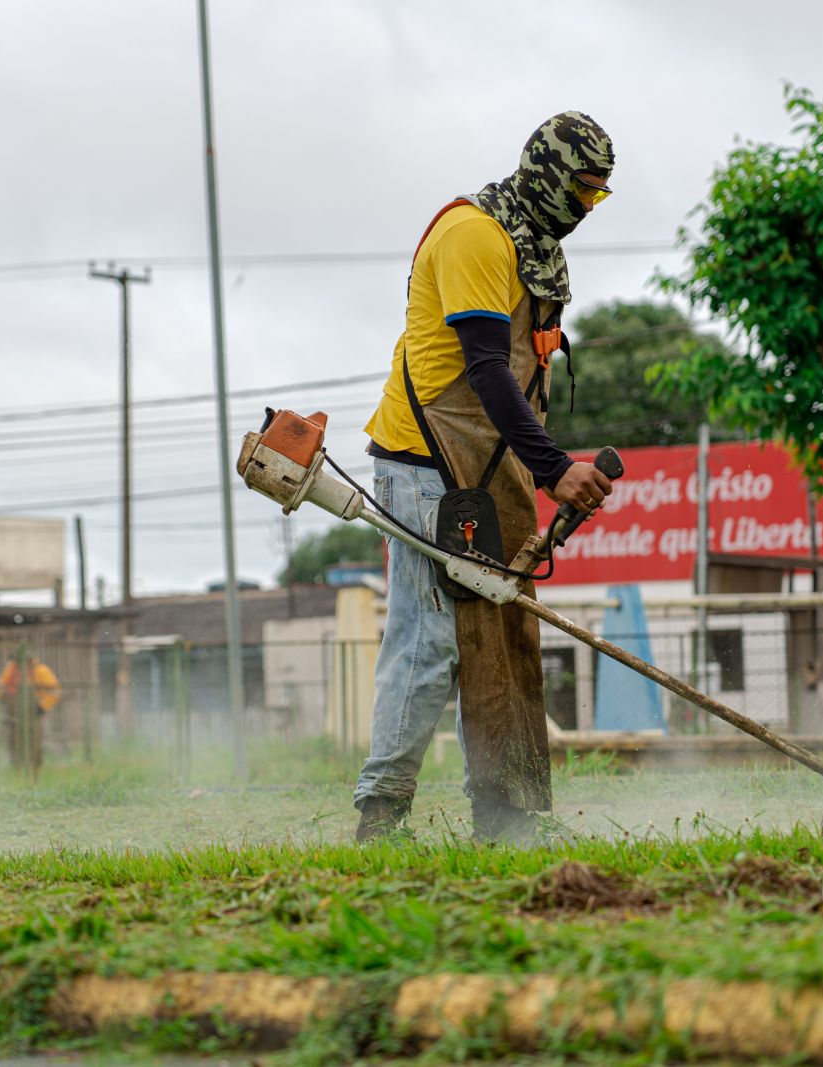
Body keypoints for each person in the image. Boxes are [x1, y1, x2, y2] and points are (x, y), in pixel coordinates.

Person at [353, 111, 616, 842]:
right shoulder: (475, 235)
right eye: (581, 190)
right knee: (430, 637)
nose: (586, 208)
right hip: (424, 462)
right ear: (546, 176)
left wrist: (536, 470)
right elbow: (487, 369)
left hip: (490, 464)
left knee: (505, 632)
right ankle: (381, 815)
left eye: (598, 195)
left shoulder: (534, 248)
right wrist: (555, 469)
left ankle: (510, 816)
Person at [0, 652, 62, 770]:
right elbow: (2, 686)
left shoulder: (40, 670)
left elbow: (55, 691)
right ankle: (16, 766)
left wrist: (42, 706)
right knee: (13, 739)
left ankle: (34, 767)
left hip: (33, 711)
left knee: (34, 739)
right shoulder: (11, 668)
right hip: (13, 711)